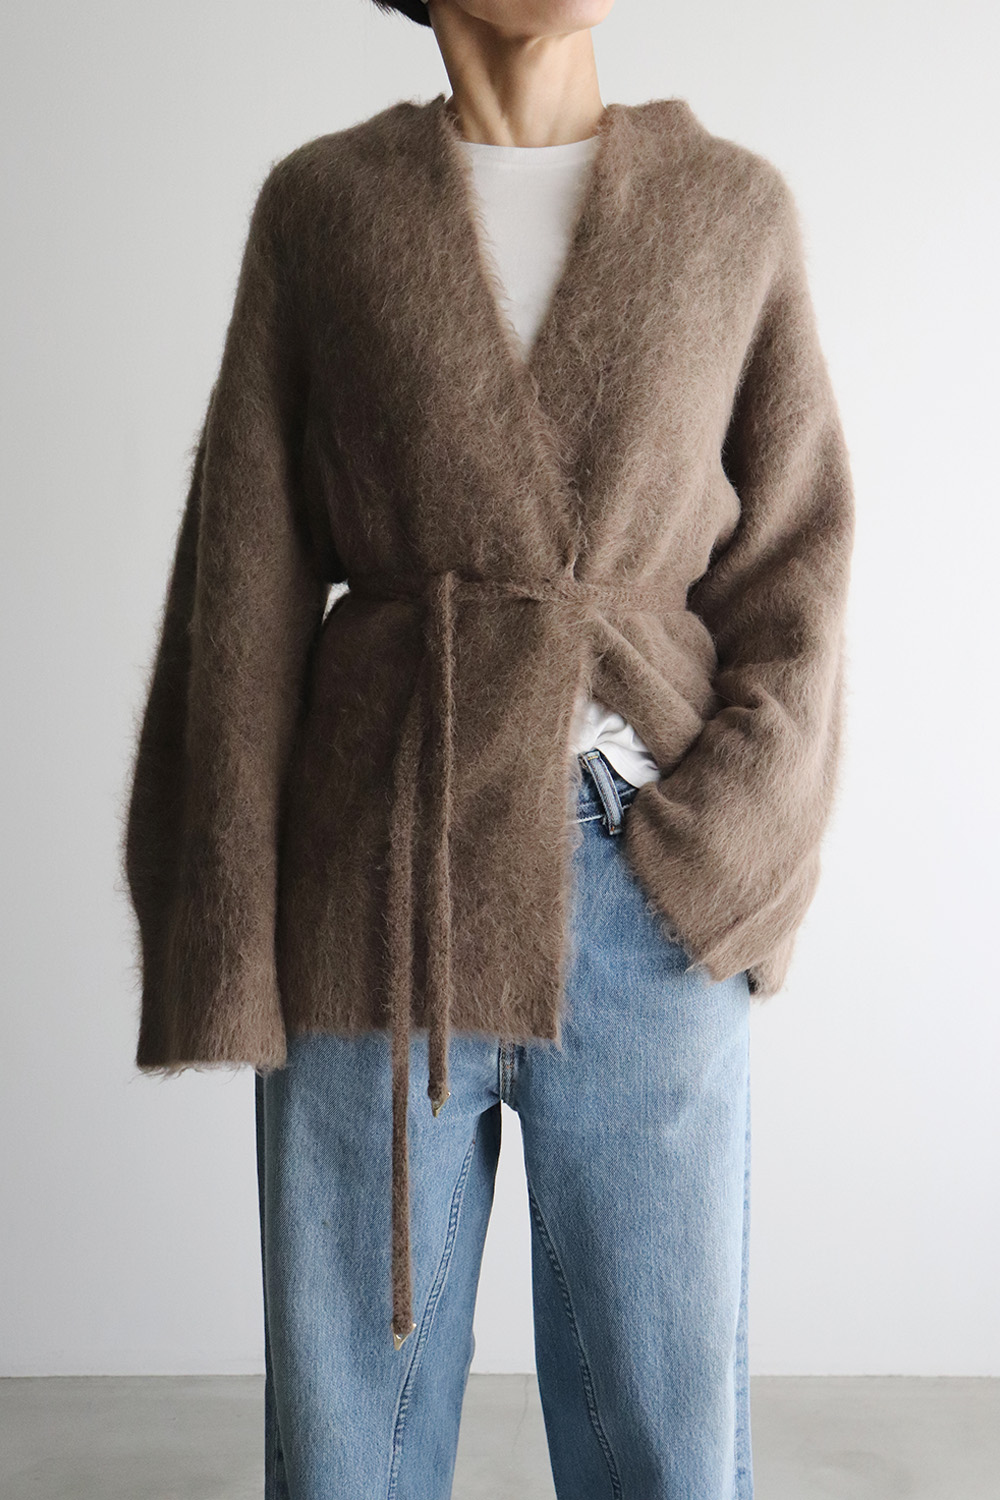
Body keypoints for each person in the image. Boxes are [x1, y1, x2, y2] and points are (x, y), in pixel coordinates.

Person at [122, 1, 855, 1496]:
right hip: (372, 890)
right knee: (350, 1455)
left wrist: (725, 847)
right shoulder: (323, 210)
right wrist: (230, 937)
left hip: (643, 886)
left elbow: (798, 564)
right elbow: (243, 585)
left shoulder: (733, 211)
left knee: (667, 1453)